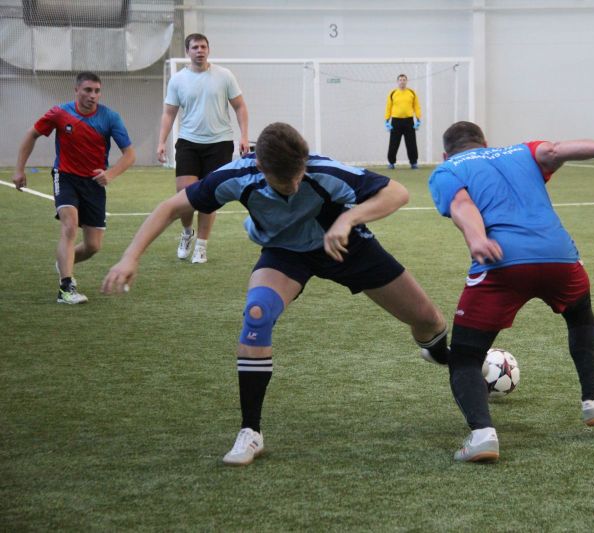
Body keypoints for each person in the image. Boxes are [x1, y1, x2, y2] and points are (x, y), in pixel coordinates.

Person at [102, 122, 450, 466]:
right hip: (285, 253)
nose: (293, 186)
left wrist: (348, 220)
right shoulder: (237, 175)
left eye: (297, 176)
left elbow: (396, 192)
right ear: (260, 166)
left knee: (427, 320)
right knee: (257, 314)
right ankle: (250, 431)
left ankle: (443, 356)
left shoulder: (323, 170)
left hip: (345, 247)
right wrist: (130, 257)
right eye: (283, 181)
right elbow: (170, 207)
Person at [428, 121, 594, 463]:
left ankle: (483, 436)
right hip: (560, 255)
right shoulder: (521, 151)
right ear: (486, 142)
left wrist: (477, 238)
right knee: (580, 317)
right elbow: (557, 150)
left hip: (503, 261)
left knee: (466, 357)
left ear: (446, 153)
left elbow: (462, 204)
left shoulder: (447, 170)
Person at [12, 71, 135, 305]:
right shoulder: (60, 113)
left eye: (97, 91)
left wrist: (110, 174)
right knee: (69, 226)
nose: (93, 95)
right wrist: (19, 169)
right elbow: (32, 134)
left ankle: (64, 263)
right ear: (76, 90)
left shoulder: (110, 117)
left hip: (94, 183)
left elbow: (129, 154)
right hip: (65, 176)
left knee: (93, 246)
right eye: (88, 90)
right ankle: (66, 287)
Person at [157, 32, 249, 264]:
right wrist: (161, 142)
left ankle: (201, 246)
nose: (200, 51)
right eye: (195, 47)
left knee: (209, 196)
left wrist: (244, 136)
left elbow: (240, 106)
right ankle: (187, 232)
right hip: (188, 142)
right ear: (188, 51)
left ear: (208, 49)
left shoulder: (224, 75)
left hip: (220, 143)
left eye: (203, 47)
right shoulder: (178, 80)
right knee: (185, 193)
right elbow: (169, 113)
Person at [384, 74, 422, 170]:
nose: (402, 81)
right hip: (396, 121)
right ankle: (391, 163)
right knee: (393, 143)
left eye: (404, 80)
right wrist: (387, 121)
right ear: (397, 82)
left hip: (409, 121)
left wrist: (418, 119)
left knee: (411, 143)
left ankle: (413, 163)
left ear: (406, 81)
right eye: (400, 80)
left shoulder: (411, 93)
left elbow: (416, 107)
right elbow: (388, 107)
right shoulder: (393, 93)